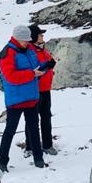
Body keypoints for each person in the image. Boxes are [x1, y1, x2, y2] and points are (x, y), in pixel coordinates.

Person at [0, 26, 46, 172]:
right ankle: (2, 161)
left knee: (34, 129)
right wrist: (32, 74)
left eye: (28, 40)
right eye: (24, 40)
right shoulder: (7, 53)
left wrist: (43, 69)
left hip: (31, 96)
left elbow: (35, 66)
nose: (27, 43)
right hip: (16, 100)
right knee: (10, 130)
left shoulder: (29, 49)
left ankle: (38, 158)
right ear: (17, 39)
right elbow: (11, 76)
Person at [30, 23, 58, 156]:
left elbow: (48, 61)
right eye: (40, 34)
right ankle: (30, 146)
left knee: (46, 118)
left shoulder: (42, 49)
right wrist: (47, 66)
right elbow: (35, 69)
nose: (42, 36)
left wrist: (50, 63)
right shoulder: (30, 51)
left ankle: (47, 144)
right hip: (34, 91)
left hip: (46, 90)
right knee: (32, 120)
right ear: (34, 37)